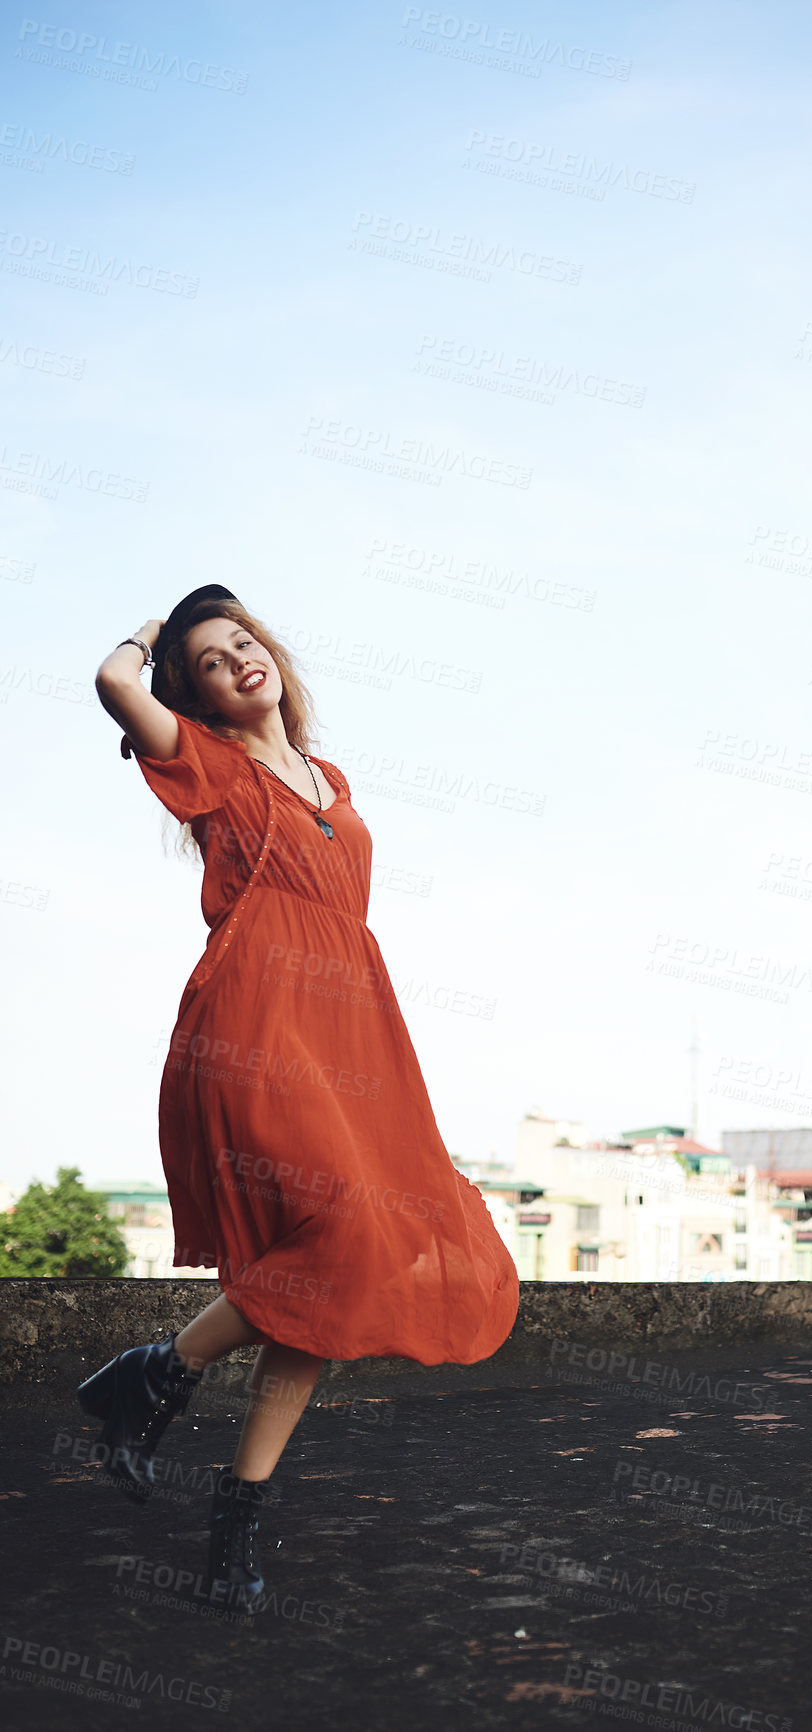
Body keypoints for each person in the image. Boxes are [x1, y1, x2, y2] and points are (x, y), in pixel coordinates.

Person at [81, 585, 519, 1610]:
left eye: (242, 641)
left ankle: (231, 1518)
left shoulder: (329, 776)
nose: (236, 661)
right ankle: (160, 1369)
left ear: (268, 652)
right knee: (345, 1233)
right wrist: (151, 638)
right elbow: (109, 683)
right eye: (207, 661)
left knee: (340, 1275)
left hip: (353, 1017)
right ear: (193, 692)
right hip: (259, 1015)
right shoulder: (209, 763)